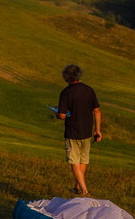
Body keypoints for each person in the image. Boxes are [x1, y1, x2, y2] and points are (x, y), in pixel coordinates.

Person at [56, 64, 102, 196]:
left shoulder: (66, 92)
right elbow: (97, 111)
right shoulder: (89, 90)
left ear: (66, 77)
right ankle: (77, 187)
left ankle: (84, 190)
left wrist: (56, 114)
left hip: (72, 132)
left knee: (74, 161)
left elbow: (62, 115)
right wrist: (98, 130)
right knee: (83, 160)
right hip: (87, 131)